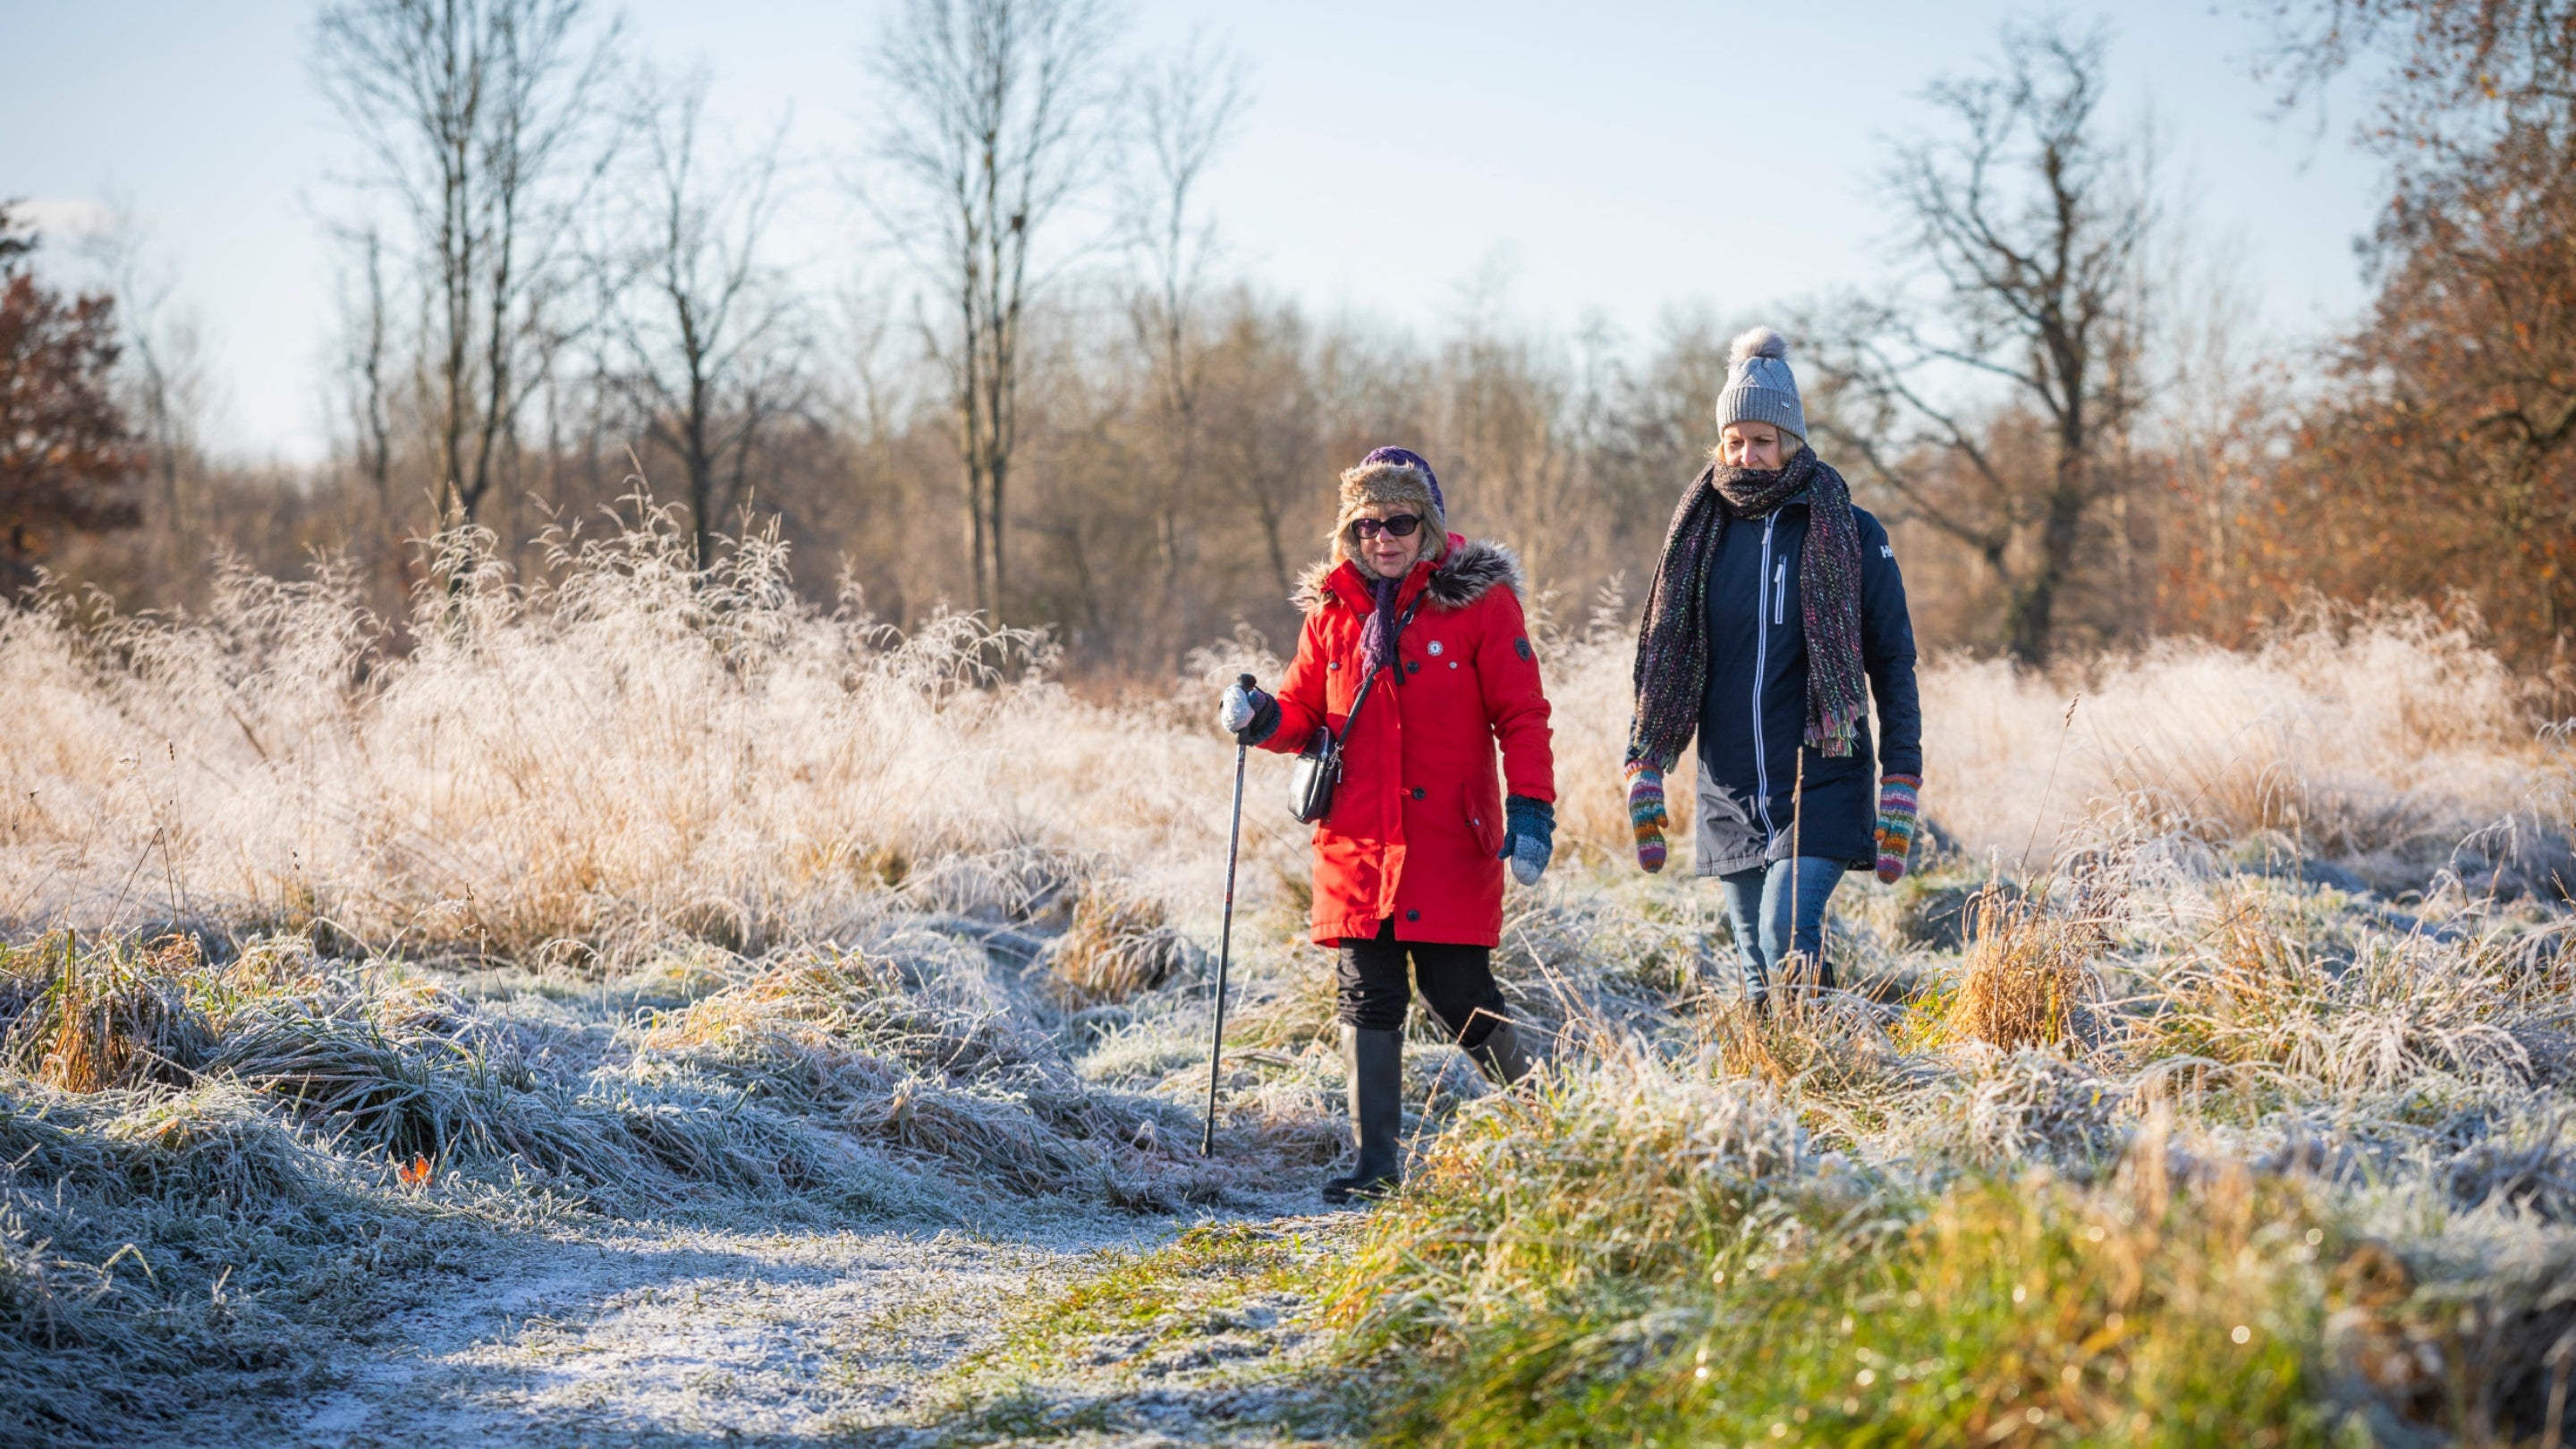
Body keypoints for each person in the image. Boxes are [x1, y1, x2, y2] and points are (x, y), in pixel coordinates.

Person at [1218, 446, 1556, 1204]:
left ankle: (1553, 1126)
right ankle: (1377, 1168)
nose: (1384, 537)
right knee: (1365, 994)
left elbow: (1523, 714)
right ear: (1351, 532)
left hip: (1447, 838)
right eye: (1367, 525)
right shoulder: (1333, 612)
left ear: (1428, 525)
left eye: (1400, 521)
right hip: (1357, 839)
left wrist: (1533, 807)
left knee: (1455, 994)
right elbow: (1305, 715)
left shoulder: (1481, 604)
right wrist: (1261, 717)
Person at [1622, 328, 1922, 1000]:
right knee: (1757, 972)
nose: (1748, 456)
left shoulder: (1851, 531)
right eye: (1735, 441)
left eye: (1763, 440)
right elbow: (1661, 657)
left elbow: (1893, 661)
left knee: (1785, 933)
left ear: (1791, 441)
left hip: (1821, 775)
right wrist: (1644, 759)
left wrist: (1901, 776)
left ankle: (1819, 1071)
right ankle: (1787, 1088)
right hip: (1728, 785)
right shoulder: (1699, 537)